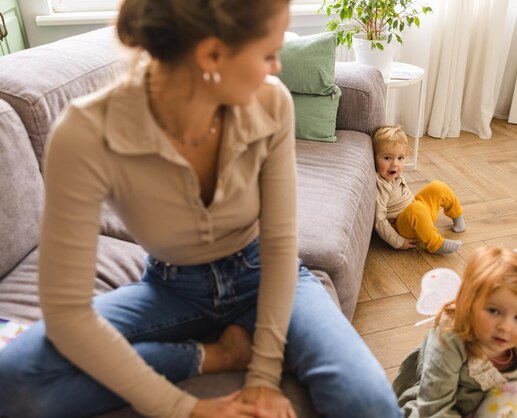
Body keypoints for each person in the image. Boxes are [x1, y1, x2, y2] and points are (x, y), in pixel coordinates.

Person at [0, 1, 402, 418]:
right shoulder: (84, 133)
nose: (275, 69)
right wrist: (183, 407)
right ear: (212, 55)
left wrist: (263, 379)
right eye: (269, 54)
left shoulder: (272, 104)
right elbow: (68, 316)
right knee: (12, 377)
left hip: (265, 273)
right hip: (171, 288)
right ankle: (212, 355)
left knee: (370, 402)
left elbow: (281, 243)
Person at [392, 247, 517, 418]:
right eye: (493, 311)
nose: (506, 327)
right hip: (460, 406)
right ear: (469, 303)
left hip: (509, 392)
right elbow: (435, 409)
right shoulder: (448, 341)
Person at [372, 125, 465, 254]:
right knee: (415, 210)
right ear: (373, 158)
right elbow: (379, 221)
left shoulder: (394, 175)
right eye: (387, 158)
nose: (395, 164)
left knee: (438, 186)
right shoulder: (380, 185)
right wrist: (399, 242)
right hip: (404, 226)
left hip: (418, 213)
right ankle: (436, 244)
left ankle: (457, 216)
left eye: (400, 158)